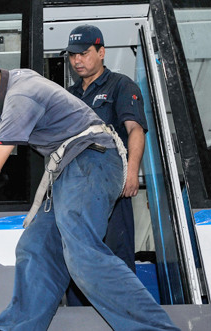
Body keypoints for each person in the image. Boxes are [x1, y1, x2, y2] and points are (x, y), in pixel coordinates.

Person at [0, 46, 178, 331]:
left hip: (91, 159)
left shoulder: (21, 96)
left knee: (82, 255)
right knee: (35, 248)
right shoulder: (4, 90)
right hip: (69, 169)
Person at [63, 25, 147, 306]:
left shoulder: (121, 85)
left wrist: (131, 173)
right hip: (74, 193)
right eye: (73, 55)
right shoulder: (68, 95)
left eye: (84, 54)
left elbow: (135, 129)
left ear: (101, 52)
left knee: (115, 261)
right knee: (77, 263)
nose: (77, 61)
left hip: (110, 191)